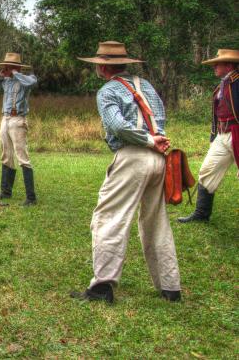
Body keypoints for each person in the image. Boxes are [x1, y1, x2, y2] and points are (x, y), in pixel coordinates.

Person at [71, 41, 181, 303]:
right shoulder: (147, 86)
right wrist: (157, 141)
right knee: (156, 222)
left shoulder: (107, 91)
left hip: (134, 156)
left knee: (109, 217)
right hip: (157, 159)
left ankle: (101, 287)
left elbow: (116, 125)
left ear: (103, 67)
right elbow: (160, 119)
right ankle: (170, 287)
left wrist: (146, 141)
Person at [179, 49, 239, 223]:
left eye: (217, 63)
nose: (214, 67)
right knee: (207, 171)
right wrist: (214, 135)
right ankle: (201, 214)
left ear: (228, 65)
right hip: (223, 135)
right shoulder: (223, 84)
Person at [0, 53, 38, 205]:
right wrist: (1, 74)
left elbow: (32, 83)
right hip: (5, 119)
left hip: (18, 119)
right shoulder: (6, 81)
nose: (7, 68)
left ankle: (31, 198)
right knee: (6, 155)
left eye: (10, 66)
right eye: (6, 66)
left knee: (22, 157)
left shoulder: (26, 79)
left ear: (17, 67)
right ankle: (5, 192)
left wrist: (16, 73)